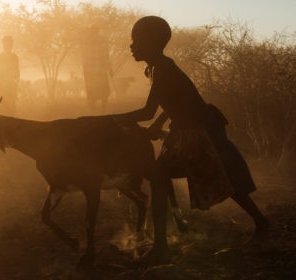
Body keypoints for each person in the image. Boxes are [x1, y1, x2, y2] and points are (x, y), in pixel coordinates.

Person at [88, 16, 270, 265]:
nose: (131, 46)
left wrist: (109, 119)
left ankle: (162, 247)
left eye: (136, 40)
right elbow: (170, 100)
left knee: (210, 178)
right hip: (187, 130)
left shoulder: (162, 68)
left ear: (151, 44)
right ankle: (258, 222)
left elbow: (147, 111)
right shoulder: (155, 67)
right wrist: (158, 125)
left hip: (198, 131)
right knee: (212, 178)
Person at [81, 25, 113, 112]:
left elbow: (83, 56)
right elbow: (105, 55)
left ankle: (93, 111)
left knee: (92, 92)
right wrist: (110, 68)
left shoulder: (85, 40)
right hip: (100, 70)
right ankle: (103, 110)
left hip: (89, 71)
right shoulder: (101, 40)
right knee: (104, 91)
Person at [0, 36, 20, 114]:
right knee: (3, 108)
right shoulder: (0, 57)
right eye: (9, 44)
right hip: (3, 87)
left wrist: (16, 85)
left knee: (10, 109)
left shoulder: (14, 57)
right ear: (4, 45)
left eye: (11, 44)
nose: (10, 46)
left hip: (10, 88)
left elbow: (17, 73)